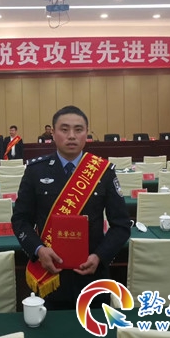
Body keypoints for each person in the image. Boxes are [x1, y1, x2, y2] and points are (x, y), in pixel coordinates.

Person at [11, 106, 131, 310]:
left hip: (93, 276)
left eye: (78, 129)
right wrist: (39, 250)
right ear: (53, 133)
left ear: (87, 133)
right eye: (64, 129)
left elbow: (121, 225)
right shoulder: (35, 171)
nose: (72, 136)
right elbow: (20, 220)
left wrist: (100, 256)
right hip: (49, 276)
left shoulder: (103, 171)